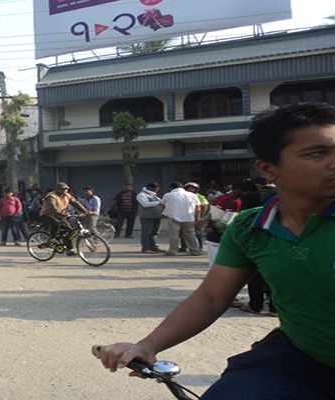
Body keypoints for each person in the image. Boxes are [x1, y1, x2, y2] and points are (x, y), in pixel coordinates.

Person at [93, 103, 335, 400]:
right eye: (317, 153)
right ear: (268, 168)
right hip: (299, 357)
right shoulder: (249, 227)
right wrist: (147, 345)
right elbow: (211, 297)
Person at [238, 176, 278, 316]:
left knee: (255, 273)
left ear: (258, 185)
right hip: (281, 237)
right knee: (276, 272)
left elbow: (242, 218)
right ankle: (275, 308)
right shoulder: (285, 194)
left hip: (257, 237)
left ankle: (256, 305)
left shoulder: (252, 196)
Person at [39, 182, 88, 256]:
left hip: (61, 216)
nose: (65, 191)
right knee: (56, 223)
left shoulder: (67, 196)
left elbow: (75, 203)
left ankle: (69, 250)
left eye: (66, 189)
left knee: (69, 230)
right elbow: (53, 207)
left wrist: (85, 211)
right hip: (47, 215)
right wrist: (61, 213)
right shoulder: (51, 196)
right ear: (57, 189)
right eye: (62, 189)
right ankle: (52, 238)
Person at [160, 182, 201, 256]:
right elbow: (198, 207)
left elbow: (162, 203)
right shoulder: (192, 195)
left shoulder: (168, 195)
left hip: (173, 217)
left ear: (171, 188)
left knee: (173, 235)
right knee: (190, 235)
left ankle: (173, 250)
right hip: (188, 217)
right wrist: (197, 217)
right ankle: (194, 250)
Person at [136, 182, 164, 254]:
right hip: (147, 217)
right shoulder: (142, 195)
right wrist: (158, 203)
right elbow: (145, 204)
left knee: (154, 232)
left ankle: (153, 247)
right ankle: (146, 248)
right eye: (155, 189)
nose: (156, 191)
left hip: (156, 216)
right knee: (146, 232)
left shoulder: (154, 195)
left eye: (157, 189)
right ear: (149, 188)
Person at [181, 182, 208, 252]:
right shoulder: (183, 196)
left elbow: (205, 207)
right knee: (184, 232)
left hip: (196, 217)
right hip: (186, 217)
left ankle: (200, 247)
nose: (190, 190)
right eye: (188, 188)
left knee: (198, 233)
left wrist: (200, 217)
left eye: (192, 188)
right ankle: (184, 247)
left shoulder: (201, 197)